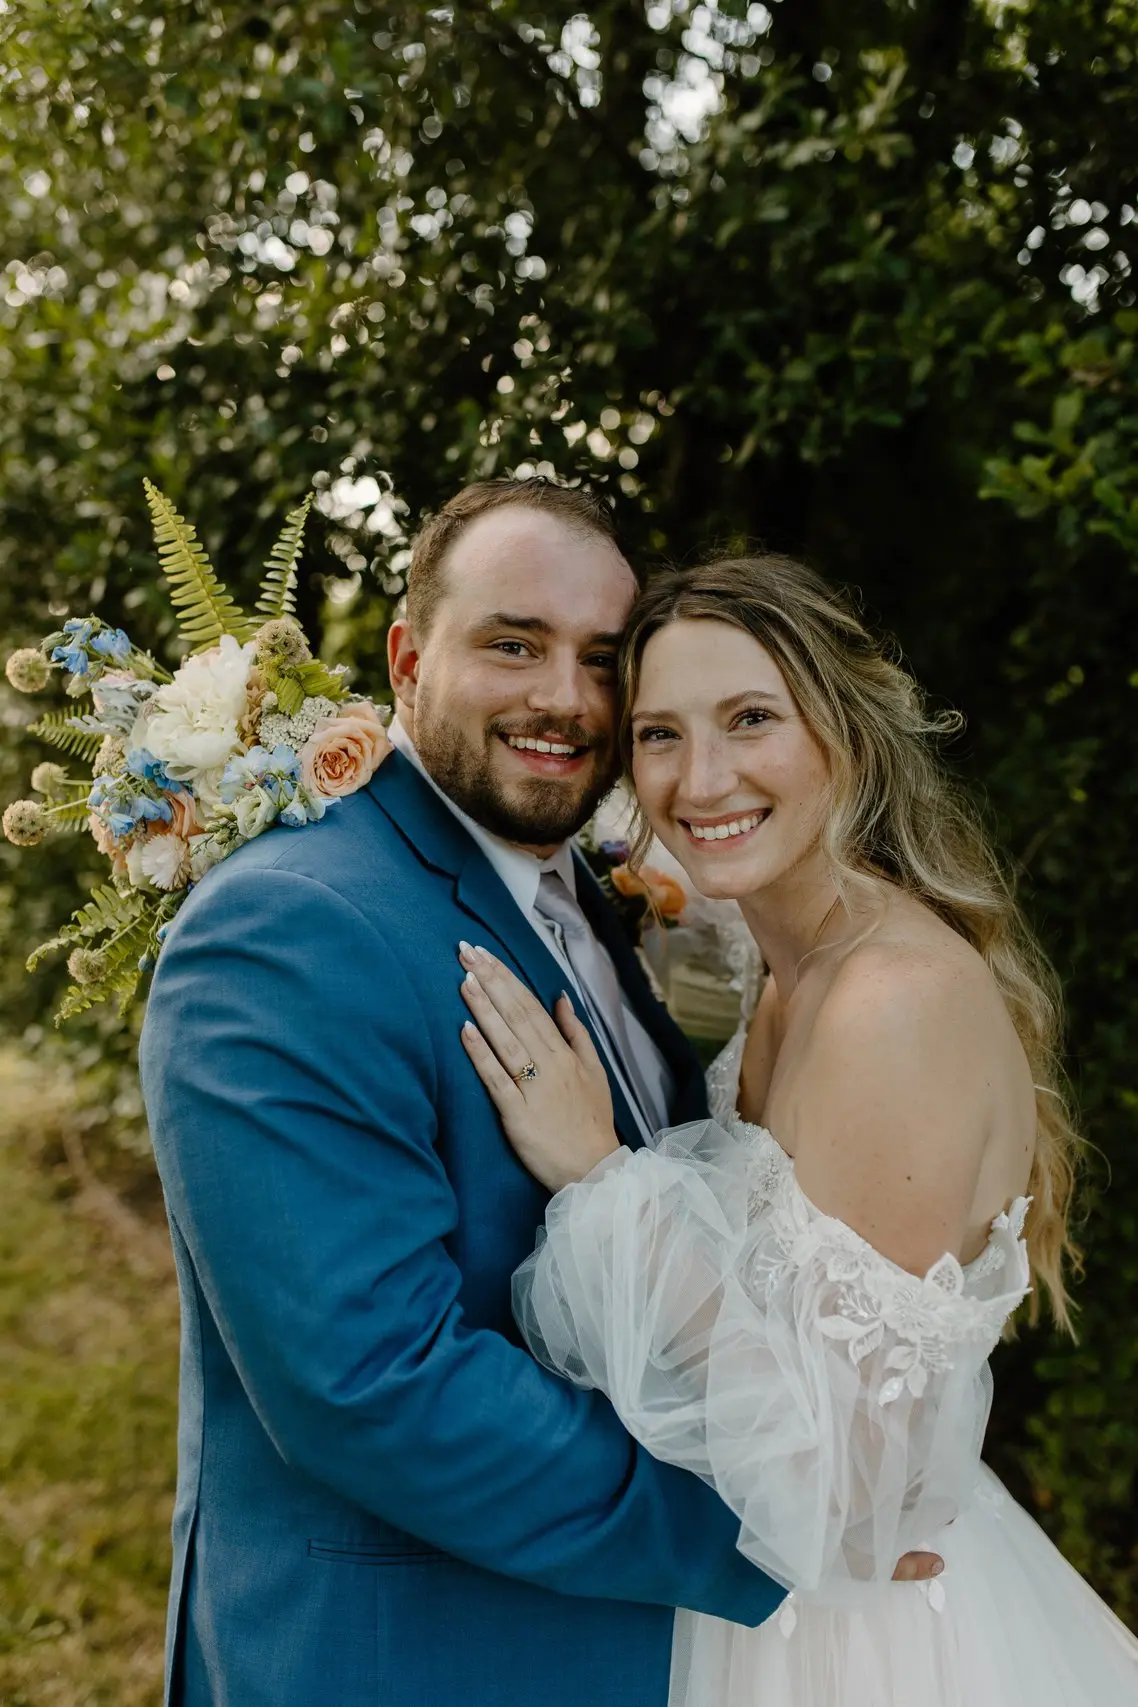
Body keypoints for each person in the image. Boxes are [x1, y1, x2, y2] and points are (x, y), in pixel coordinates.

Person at [147, 481, 939, 1707]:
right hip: (414, 1659)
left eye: (602, 660)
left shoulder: (581, 898)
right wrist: (765, 1521)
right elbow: (373, 1385)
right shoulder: (290, 925)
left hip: (621, 1645)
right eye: (513, 645)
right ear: (409, 661)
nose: (564, 698)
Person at [458, 553, 1138, 1706]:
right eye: (660, 734)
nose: (701, 778)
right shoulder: (779, 962)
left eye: (750, 719)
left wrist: (603, 1180)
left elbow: (850, 1482)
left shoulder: (891, 1003)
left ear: (846, 736)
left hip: (857, 1639)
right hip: (761, 1595)